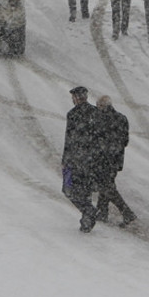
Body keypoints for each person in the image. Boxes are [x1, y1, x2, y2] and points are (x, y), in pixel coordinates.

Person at [92, 95, 136, 226]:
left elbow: (97, 140)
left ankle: (127, 212)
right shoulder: (122, 118)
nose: (97, 108)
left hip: (104, 159)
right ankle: (102, 212)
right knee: (106, 185)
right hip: (115, 160)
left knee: (107, 187)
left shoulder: (101, 120)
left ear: (103, 106)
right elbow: (125, 141)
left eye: (99, 106)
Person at [61, 86, 100, 232]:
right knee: (86, 190)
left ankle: (88, 212)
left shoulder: (73, 114)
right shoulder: (96, 112)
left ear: (76, 98)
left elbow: (69, 138)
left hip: (77, 159)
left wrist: (65, 159)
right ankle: (87, 220)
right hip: (92, 159)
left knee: (69, 189)